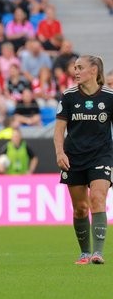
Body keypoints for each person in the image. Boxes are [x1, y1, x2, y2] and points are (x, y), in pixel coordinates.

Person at [54, 55, 113, 265]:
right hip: (74, 157)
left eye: (80, 67)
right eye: (75, 68)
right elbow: (59, 130)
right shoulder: (69, 96)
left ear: (94, 70)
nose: (76, 71)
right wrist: (60, 153)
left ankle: (98, 253)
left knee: (98, 198)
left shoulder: (109, 97)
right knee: (80, 207)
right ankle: (85, 253)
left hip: (102, 155)